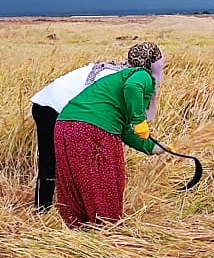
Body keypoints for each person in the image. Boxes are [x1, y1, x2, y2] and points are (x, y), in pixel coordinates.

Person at [32, 52, 161, 212]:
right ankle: (43, 209)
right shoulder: (114, 75)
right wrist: (139, 120)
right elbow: (101, 109)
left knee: (72, 163)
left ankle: (69, 209)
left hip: (64, 111)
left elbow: (122, 127)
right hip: (51, 107)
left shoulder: (120, 75)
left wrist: (152, 147)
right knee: (51, 160)